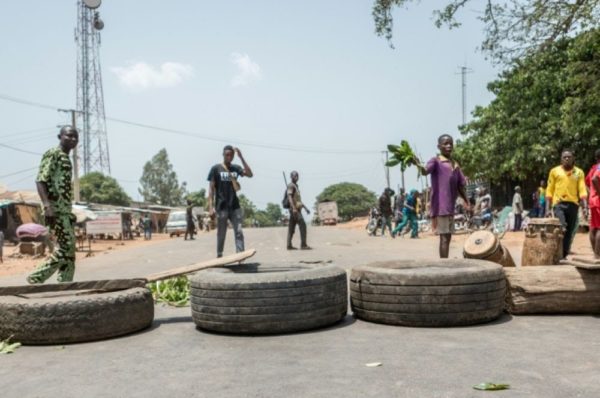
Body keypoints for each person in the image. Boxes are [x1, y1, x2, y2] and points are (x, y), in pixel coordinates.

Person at [27, 126, 79, 284]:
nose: (73, 139)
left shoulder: (66, 158)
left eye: (75, 137)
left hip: (64, 211)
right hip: (55, 210)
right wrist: (47, 206)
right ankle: (37, 277)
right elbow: (40, 180)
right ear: (60, 136)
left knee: (69, 251)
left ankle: (65, 283)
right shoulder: (54, 154)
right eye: (69, 136)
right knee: (67, 247)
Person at [417, 134, 469, 258]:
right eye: (445, 143)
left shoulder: (454, 164)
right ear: (439, 146)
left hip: (450, 207)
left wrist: (467, 201)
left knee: (449, 236)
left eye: (450, 143)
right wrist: (417, 163)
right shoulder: (436, 161)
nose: (449, 146)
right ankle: (444, 264)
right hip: (441, 206)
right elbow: (425, 171)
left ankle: (445, 261)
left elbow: (460, 185)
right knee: (444, 237)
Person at [208, 145, 253, 258]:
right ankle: (219, 255)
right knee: (221, 233)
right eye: (227, 154)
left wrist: (241, 157)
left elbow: (250, 174)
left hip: (234, 206)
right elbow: (211, 189)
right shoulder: (215, 169)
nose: (229, 157)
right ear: (223, 155)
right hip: (221, 207)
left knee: (239, 231)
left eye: (231, 155)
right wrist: (210, 207)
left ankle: (240, 256)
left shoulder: (236, 168)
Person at [546, 149, 588, 259]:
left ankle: (563, 255)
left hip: (573, 205)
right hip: (559, 204)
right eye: (564, 157)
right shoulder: (554, 171)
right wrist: (547, 208)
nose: (567, 159)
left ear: (573, 158)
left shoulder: (579, 172)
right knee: (562, 227)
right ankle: (556, 252)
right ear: (561, 159)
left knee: (569, 232)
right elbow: (549, 190)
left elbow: (582, 189)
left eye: (569, 157)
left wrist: (585, 207)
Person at [286, 171, 311, 250]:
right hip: (295, 210)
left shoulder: (296, 186)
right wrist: (293, 208)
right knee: (302, 225)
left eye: (297, 176)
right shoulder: (291, 186)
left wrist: (305, 208)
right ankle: (303, 245)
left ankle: (289, 245)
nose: (296, 177)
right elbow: (289, 197)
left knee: (291, 228)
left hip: (297, 209)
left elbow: (298, 200)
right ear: (291, 177)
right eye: (294, 176)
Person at [585, 149, 600, 258]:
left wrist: (592, 194)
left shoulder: (593, 168)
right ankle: (598, 255)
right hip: (598, 201)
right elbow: (595, 179)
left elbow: (587, 183)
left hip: (593, 201)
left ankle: (595, 255)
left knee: (593, 227)